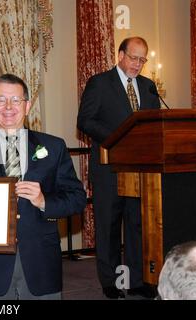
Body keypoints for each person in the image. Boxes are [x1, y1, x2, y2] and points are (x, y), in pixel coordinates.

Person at [0, 73, 86, 300]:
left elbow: (77, 199)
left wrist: (44, 201)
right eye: (1, 100)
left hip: (41, 262)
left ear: (27, 106)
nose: (8, 107)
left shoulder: (53, 147)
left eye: (16, 100)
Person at [77, 37, 160, 299]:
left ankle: (137, 280)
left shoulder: (148, 87)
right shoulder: (100, 83)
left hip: (139, 173)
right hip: (109, 170)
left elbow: (154, 125)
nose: (137, 64)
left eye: (142, 60)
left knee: (137, 227)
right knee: (109, 227)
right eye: (133, 58)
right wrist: (118, 138)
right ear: (121, 55)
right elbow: (85, 121)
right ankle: (110, 282)